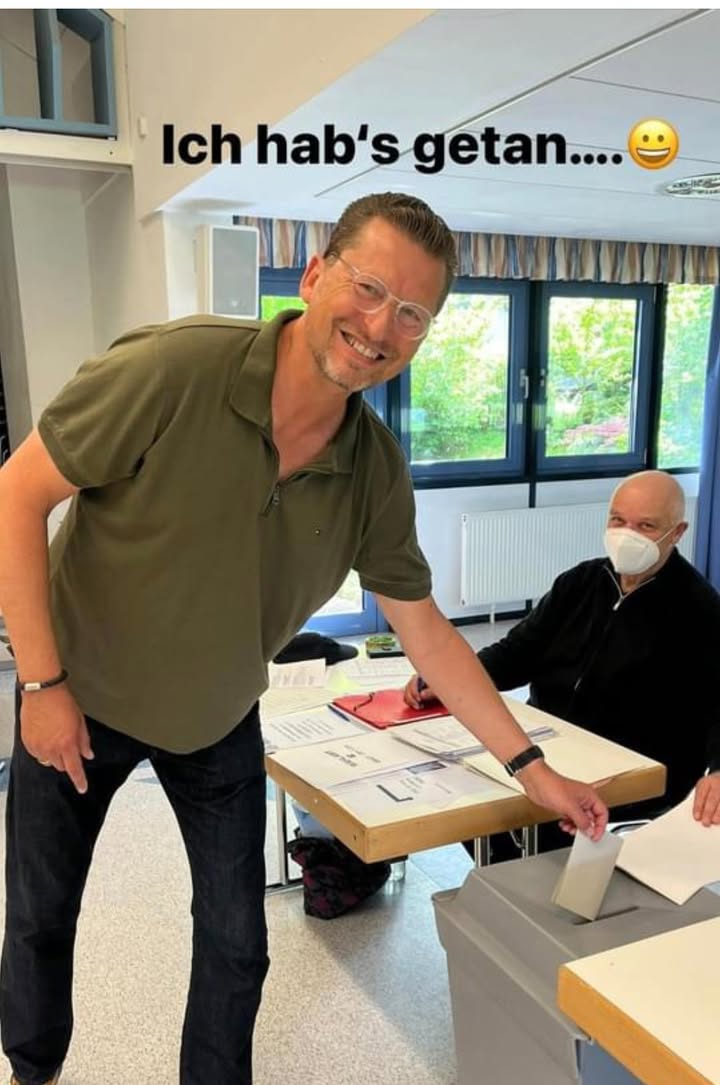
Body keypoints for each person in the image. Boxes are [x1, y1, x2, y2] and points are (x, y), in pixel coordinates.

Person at [0, 192, 607, 1085]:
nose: (381, 326)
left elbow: (427, 632)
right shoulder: (174, 370)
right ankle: (34, 1070)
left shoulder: (373, 468)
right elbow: (17, 495)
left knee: (238, 945)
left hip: (215, 717)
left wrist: (531, 767)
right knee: (42, 915)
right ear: (315, 274)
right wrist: (41, 684)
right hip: (79, 695)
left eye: (413, 313)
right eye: (368, 287)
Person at [406, 470, 720, 858]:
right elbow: (516, 653)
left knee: (524, 823)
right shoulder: (580, 582)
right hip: (551, 742)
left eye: (646, 526)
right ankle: (506, 876)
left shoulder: (699, 609)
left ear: (677, 532)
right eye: (618, 520)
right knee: (462, 789)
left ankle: (524, 874)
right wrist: (448, 679)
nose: (627, 534)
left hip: (627, 766)